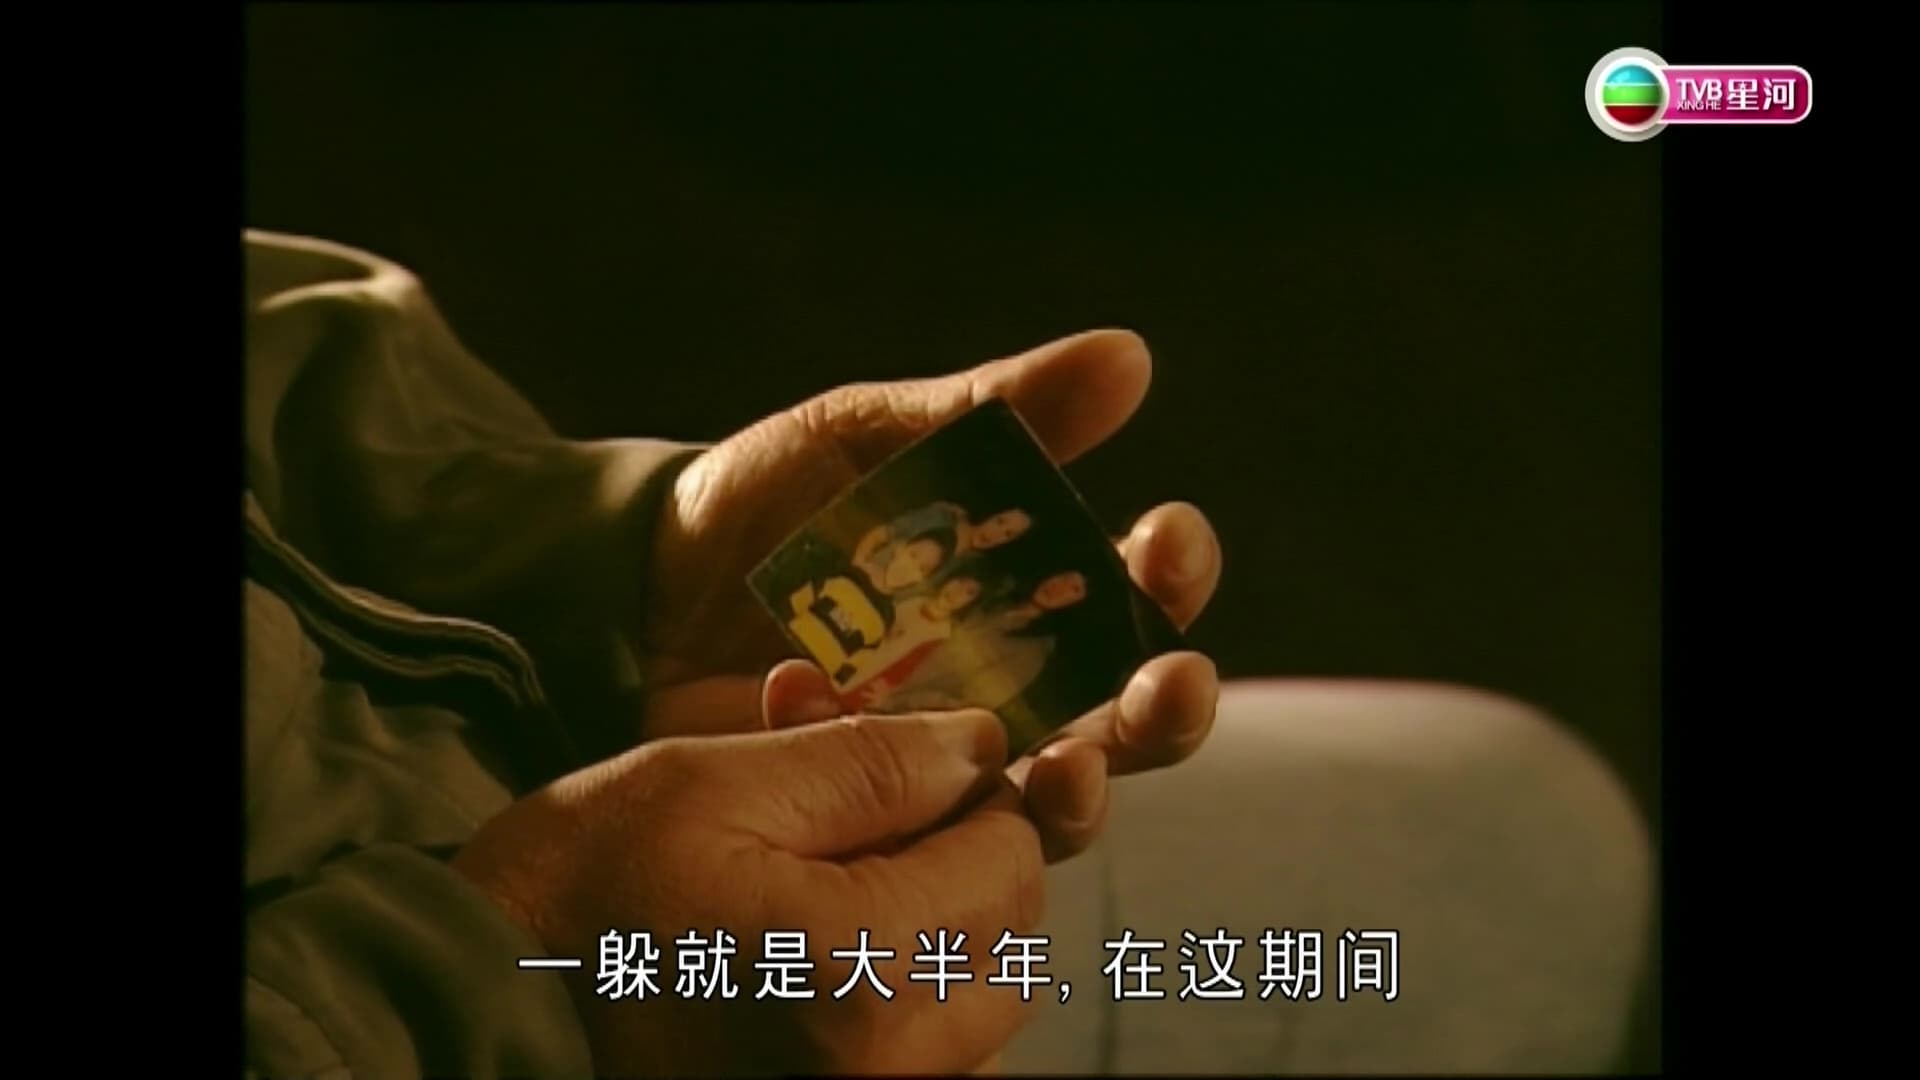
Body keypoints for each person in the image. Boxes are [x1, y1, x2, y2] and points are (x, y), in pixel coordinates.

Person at [244, 230, 1654, 1078]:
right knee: (1518, 856)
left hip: (558, 819)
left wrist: (606, 561)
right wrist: (509, 1005)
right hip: (519, 994)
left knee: (1513, 812)